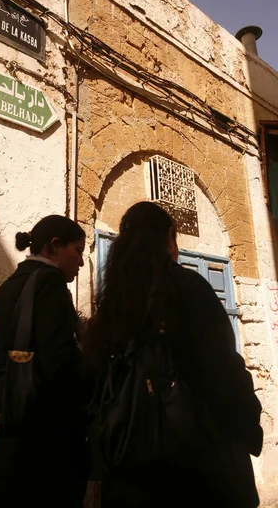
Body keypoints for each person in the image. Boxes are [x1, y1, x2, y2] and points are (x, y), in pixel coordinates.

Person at [84, 201, 263, 508]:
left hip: (130, 471)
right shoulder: (189, 289)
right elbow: (223, 373)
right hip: (194, 469)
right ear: (169, 237)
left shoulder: (111, 307)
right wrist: (248, 425)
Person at [0, 215, 89, 508]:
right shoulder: (49, 283)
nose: (80, 263)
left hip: (11, 429)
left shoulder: (9, 286)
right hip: (45, 440)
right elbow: (59, 363)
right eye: (77, 251)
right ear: (54, 247)